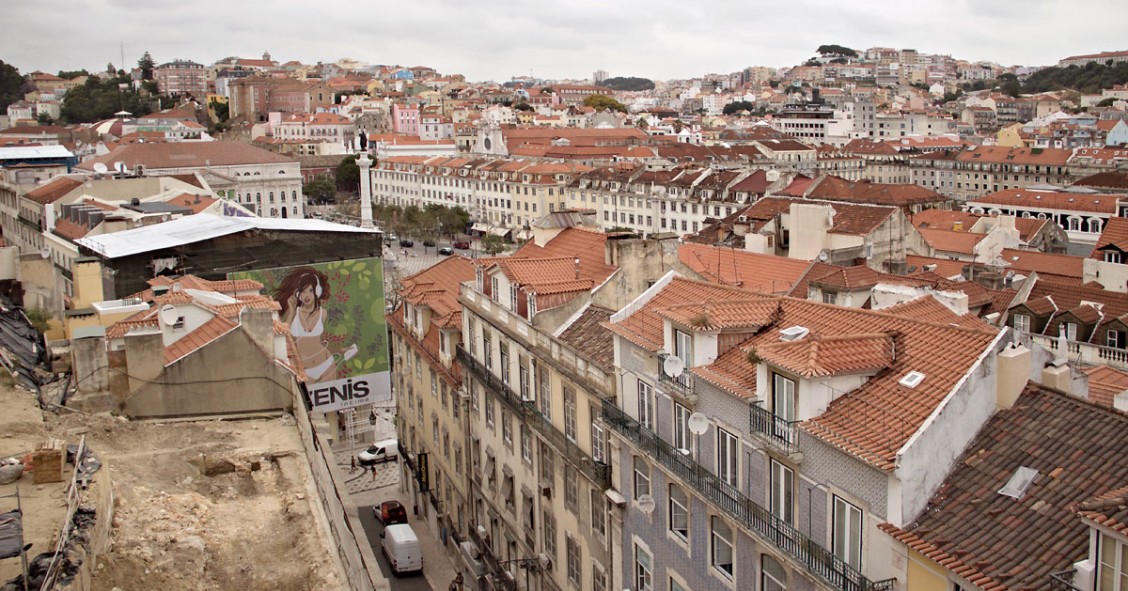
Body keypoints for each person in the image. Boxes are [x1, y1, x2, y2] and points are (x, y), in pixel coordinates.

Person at [274, 267, 356, 382]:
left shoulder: (323, 313)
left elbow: (319, 343)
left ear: (317, 291)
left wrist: (341, 350)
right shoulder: (293, 312)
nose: (306, 295)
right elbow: (284, 337)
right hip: (303, 368)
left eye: (310, 290)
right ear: (298, 294)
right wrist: (291, 311)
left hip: (326, 364)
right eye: (303, 291)